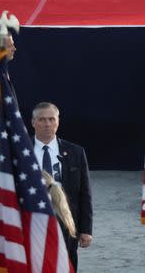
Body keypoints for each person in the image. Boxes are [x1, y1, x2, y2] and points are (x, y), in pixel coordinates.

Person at [31, 102, 93, 271]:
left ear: (58, 121)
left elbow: (84, 193)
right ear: (33, 122)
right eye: (42, 119)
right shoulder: (22, 152)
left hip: (66, 221)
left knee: (66, 265)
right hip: (31, 220)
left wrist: (86, 229)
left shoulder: (76, 152)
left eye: (52, 119)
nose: (47, 124)